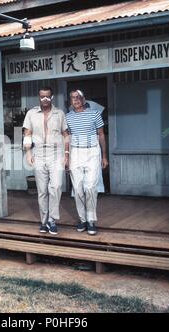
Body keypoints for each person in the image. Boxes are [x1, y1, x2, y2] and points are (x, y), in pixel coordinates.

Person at [23, 87, 69, 235]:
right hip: (39, 153)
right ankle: (44, 221)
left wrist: (67, 154)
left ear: (52, 97)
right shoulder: (31, 113)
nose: (44, 99)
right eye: (42, 96)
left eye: (47, 96)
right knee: (42, 190)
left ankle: (52, 220)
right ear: (39, 97)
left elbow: (66, 135)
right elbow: (27, 133)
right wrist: (29, 152)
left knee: (56, 186)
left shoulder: (59, 113)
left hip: (56, 153)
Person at [66, 89, 108, 235]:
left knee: (90, 187)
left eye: (78, 97)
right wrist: (66, 157)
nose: (76, 100)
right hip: (75, 152)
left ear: (83, 99)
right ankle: (82, 219)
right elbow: (67, 138)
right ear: (70, 101)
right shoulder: (68, 117)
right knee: (77, 189)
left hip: (92, 151)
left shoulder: (95, 114)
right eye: (73, 98)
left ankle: (91, 220)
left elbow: (101, 135)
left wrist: (104, 156)